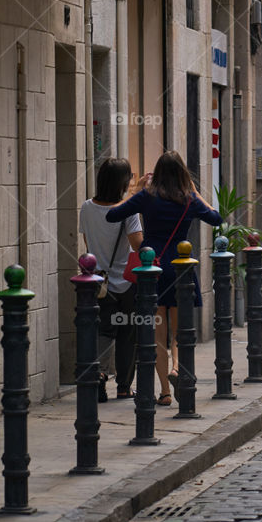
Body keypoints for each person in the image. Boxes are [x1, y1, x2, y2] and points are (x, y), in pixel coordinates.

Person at [107, 152, 221, 408]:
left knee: (157, 336)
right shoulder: (189, 199)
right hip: (180, 270)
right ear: (183, 174)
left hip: (152, 271)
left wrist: (135, 191)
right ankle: (178, 368)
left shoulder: (147, 197)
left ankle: (165, 392)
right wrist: (194, 192)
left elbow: (112, 216)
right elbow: (216, 218)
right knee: (179, 333)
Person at [80, 159, 143, 401]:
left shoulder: (86, 207)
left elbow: (88, 245)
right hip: (126, 282)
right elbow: (138, 245)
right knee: (128, 333)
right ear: (122, 181)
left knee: (103, 331)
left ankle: (99, 376)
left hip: (99, 282)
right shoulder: (129, 210)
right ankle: (124, 386)